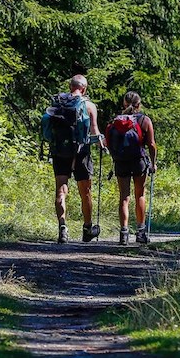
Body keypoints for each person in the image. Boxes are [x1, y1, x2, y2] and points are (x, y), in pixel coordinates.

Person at [49, 75, 105, 243]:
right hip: (82, 152)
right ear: (84, 89)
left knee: (61, 190)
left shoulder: (58, 104)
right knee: (85, 192)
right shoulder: (88, 105)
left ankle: (63, 227)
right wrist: (102, 145)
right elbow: (95, 131)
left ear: (70, 86)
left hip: (60, 150)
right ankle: (87, 228)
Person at [107, 91, 157, 244]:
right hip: (139, 161)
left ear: (124, 104)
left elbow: (109, 142)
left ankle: (124, 233)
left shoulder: (115, 121)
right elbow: (152, 144)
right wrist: (153, 163)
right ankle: (141, 232)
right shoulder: (144, 120)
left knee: (124, 196)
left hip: (121, 161)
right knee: (139, 195)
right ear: (139, 104)